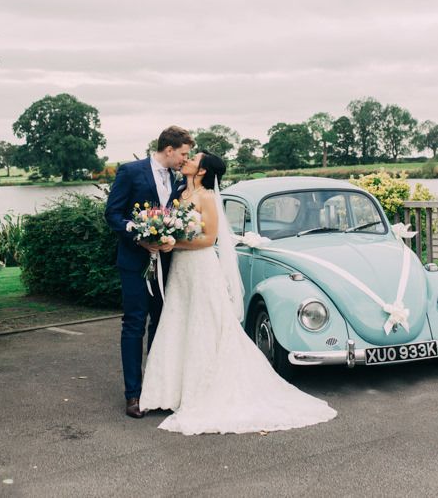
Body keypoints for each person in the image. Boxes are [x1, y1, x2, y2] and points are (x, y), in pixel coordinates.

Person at [139, 151, 337, 434]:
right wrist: (163, 235)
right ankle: (170, 392)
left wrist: (174, 243)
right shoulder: (180, 192)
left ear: (204, 171)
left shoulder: (207, 197)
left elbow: (209, 239)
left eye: (193, 159)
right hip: (180, 271)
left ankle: (202, 390)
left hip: (200, 266)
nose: (188, 160)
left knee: (206, 323)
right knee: (178, 320)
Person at [105, 126, 194, 418]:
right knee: (134, 324)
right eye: (183, 153)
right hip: (134, 262)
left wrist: (170, 238)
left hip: (166, 265)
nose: (185, 159)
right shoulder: (130, 171)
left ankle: (157, 389)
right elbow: (113, 213)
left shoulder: (175, 178)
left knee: (161, 323)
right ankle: (133, 394)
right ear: (169, 150)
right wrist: (136, 232)